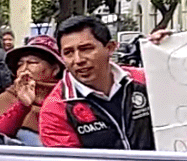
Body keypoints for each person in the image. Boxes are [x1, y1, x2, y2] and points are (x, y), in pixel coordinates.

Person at [37, 15, 155, 150]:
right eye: (68, 52)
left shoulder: (145, 80)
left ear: (110, 48)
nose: (78, 60)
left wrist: (169, 48)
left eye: (86, 49)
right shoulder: (56, 108)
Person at [0, 34, 64, 145]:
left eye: (32, 63)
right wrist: (22, 106)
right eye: (20, 64)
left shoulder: (68, 97)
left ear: (55, 69)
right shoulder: (8, 97)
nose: (24, 69)